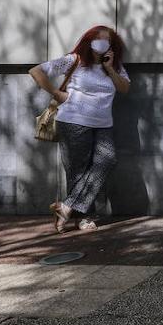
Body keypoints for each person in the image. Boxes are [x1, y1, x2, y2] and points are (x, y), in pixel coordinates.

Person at [29, 25, 130, 232]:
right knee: (78, 172)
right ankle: (84, 218)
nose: (102, 44)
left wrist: (110, 68)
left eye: (106, 41)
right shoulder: (74, 60)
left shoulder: (115, 66)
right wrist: (57, 94)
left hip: (103, 124)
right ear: (89, 41)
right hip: (74, 121)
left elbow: (124, 88)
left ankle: (65, 208)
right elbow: (36, 71)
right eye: (98, 40)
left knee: (108, 159)